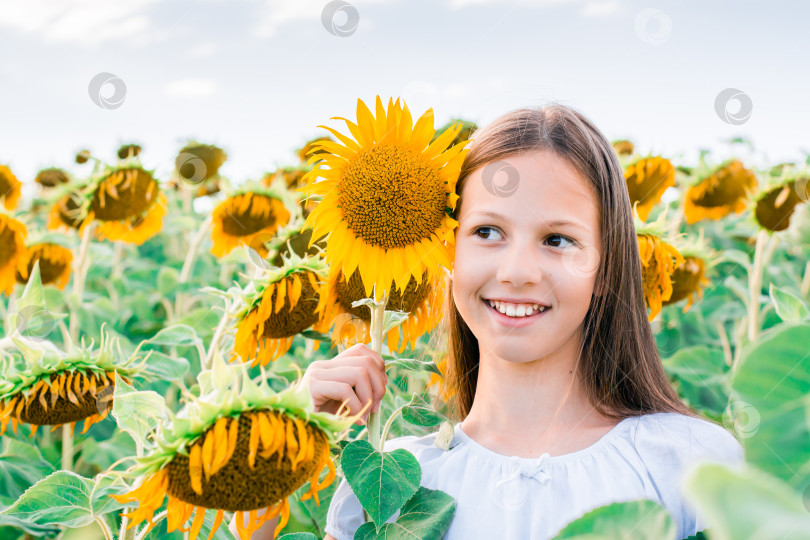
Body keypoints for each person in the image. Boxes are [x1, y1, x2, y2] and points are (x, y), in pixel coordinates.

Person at [233, 104, 744, 540]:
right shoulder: (393, 485)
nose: (517, 271)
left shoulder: (689, 463)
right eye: (487, 231)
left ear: (607, 267)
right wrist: (279, 449)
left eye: (557, 240)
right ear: (447, 252)